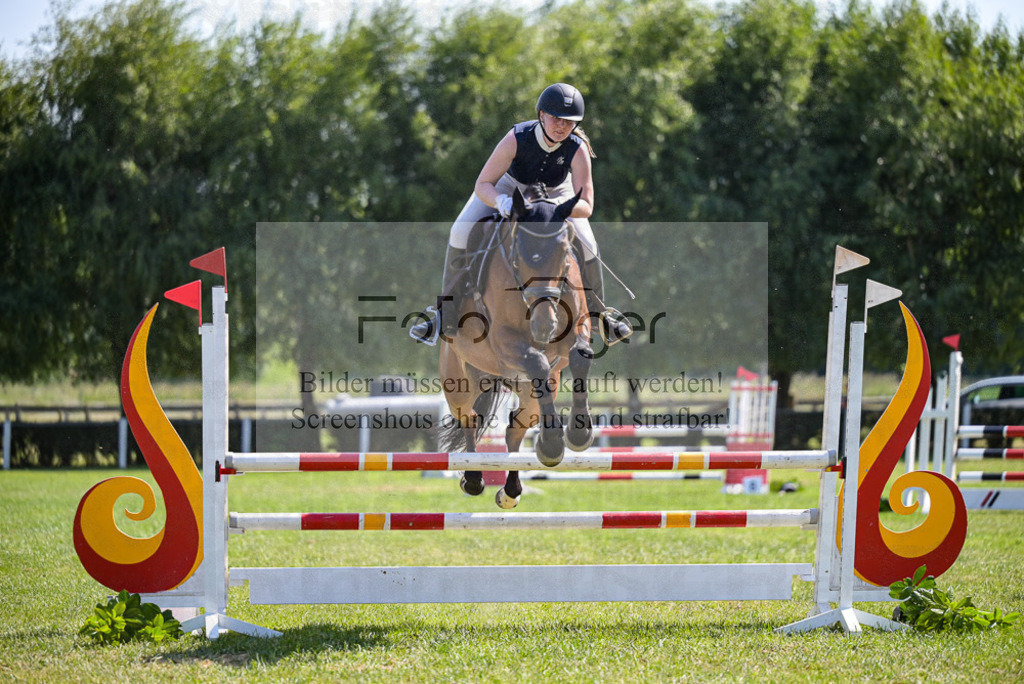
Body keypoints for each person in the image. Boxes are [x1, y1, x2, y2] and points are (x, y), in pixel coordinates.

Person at [410, 83, 632, 346]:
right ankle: (443, 314)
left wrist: (555, 208)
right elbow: (483, 184)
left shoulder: (577, 147)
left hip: (557, 193)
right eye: (556, 119)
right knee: (460, 230)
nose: (562, 126)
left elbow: (586, 204)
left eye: (569, 122)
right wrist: (501, 202)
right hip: (510, 187)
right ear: (542, 115)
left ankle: (599, 316)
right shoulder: (517, 137)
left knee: (588, 242)